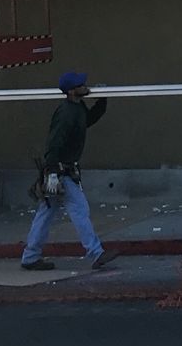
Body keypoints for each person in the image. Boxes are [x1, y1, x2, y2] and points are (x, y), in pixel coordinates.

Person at [20, 70, 116, 271]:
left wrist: (102, 101)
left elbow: (87, 121)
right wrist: (53, 173)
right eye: (82, 85)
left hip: (60, 172)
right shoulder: (65, 113)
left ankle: (30, 256)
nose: (86, 86)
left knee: (45, 214)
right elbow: (54, 144)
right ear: (72, 91)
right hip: (62, 172)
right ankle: (96, 253)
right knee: (80, 210)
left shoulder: (77, 108)